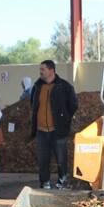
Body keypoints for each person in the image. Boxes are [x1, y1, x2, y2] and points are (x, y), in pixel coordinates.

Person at [30, 60, 78, 189]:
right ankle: (44, 183)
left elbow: (73, 105)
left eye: (43, 69)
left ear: (51, 70)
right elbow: (33, 105)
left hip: (58, 131)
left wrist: (64, 119)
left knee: (61, 159)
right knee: (43, 160)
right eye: (40, 69)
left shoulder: (65, 86)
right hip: (41, 131)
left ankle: (62, 182)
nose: (40, 72)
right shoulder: (37, 87)